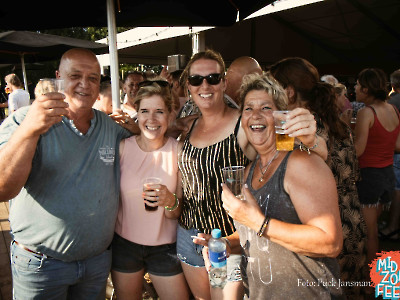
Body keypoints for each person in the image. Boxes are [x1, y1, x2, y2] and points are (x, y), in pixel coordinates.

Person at [177, 50, 319, 300]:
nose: (205, 85)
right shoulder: (187, 125)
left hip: (229, 239)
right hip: (189, 234)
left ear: (224, 82)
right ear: (188, 85)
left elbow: (284, 152)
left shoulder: (242, 123)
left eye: (212, 77)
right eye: (196, 80)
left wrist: (312, 141)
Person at [0, 48, 131, 299]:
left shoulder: (111, 127)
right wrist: (30, 130)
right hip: (41, 266)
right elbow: (3, 188)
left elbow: (145, 151)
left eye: (93, 77)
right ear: (58, 76)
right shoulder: (23, 119)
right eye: (76, 76)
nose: (85, 84)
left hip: (96, 263)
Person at [206, 72, 343, 299]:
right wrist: (224, 243)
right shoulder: (249, 171)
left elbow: (330, 243)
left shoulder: (301, 163)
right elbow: (251, 234)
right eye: (248, 109)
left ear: (281, 117)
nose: (255, 115)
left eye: (266, 108)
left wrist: (258, 222)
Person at [269, 58, 367, 299]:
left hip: (323, 226)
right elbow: (353, 173)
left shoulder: (296, 130)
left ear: (289, 92)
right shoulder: (337, 123)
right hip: (352, 219)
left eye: (273, 88)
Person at [111, 81, 189, 300]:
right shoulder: (123, 147)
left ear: (170, 114)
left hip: (165, 248)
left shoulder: (179, 150)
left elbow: (175, 213)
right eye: (145, 111)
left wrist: (169, 200)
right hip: (125, 244)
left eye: (159, 112)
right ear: (137, 113)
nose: (151, 119)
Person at [353, 68, 400, 269]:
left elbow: (358, 151)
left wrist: (346, 129)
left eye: (357, 84)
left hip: (369, 177)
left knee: (368, 233)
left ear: (366, 88)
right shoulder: (393, 110)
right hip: (387, 175)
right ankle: (377, 278)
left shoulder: (367, 112)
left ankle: (370, 281)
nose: (354, 88)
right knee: (372, 231)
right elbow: (398, 145)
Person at [379, 69, 400, 242]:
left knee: (396, 190)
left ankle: (392, 227)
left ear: (393, 85)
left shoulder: (392, 103)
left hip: (395, 154)